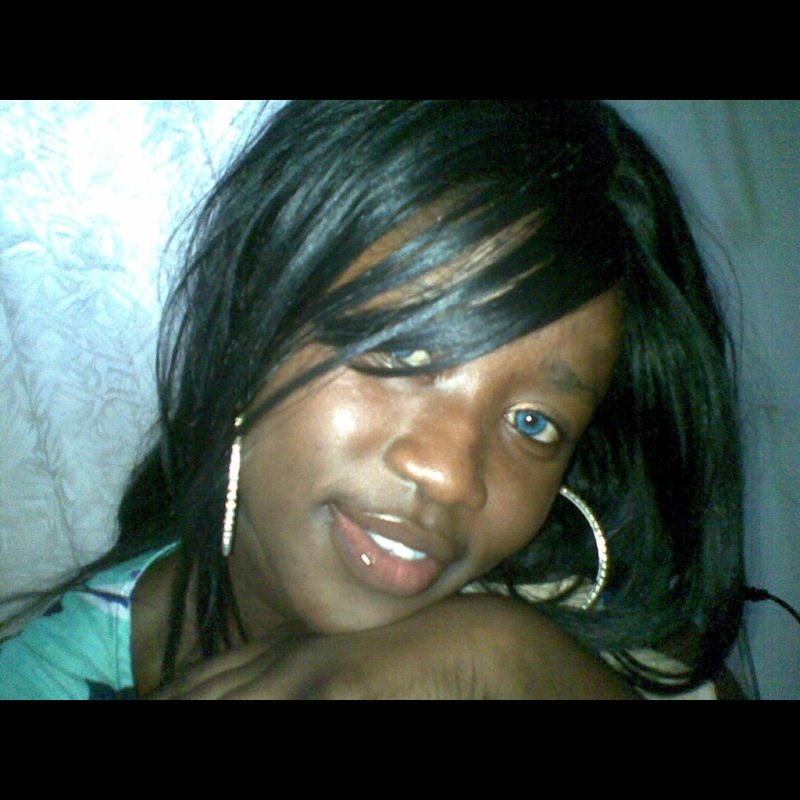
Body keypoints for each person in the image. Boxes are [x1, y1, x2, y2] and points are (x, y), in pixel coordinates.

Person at [0, 100, 745, 699]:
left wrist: (501, 661)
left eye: (533, 422)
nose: (450, 475)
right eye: (402, 351)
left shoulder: (563, 607)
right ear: (249, 326)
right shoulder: (57, 673)